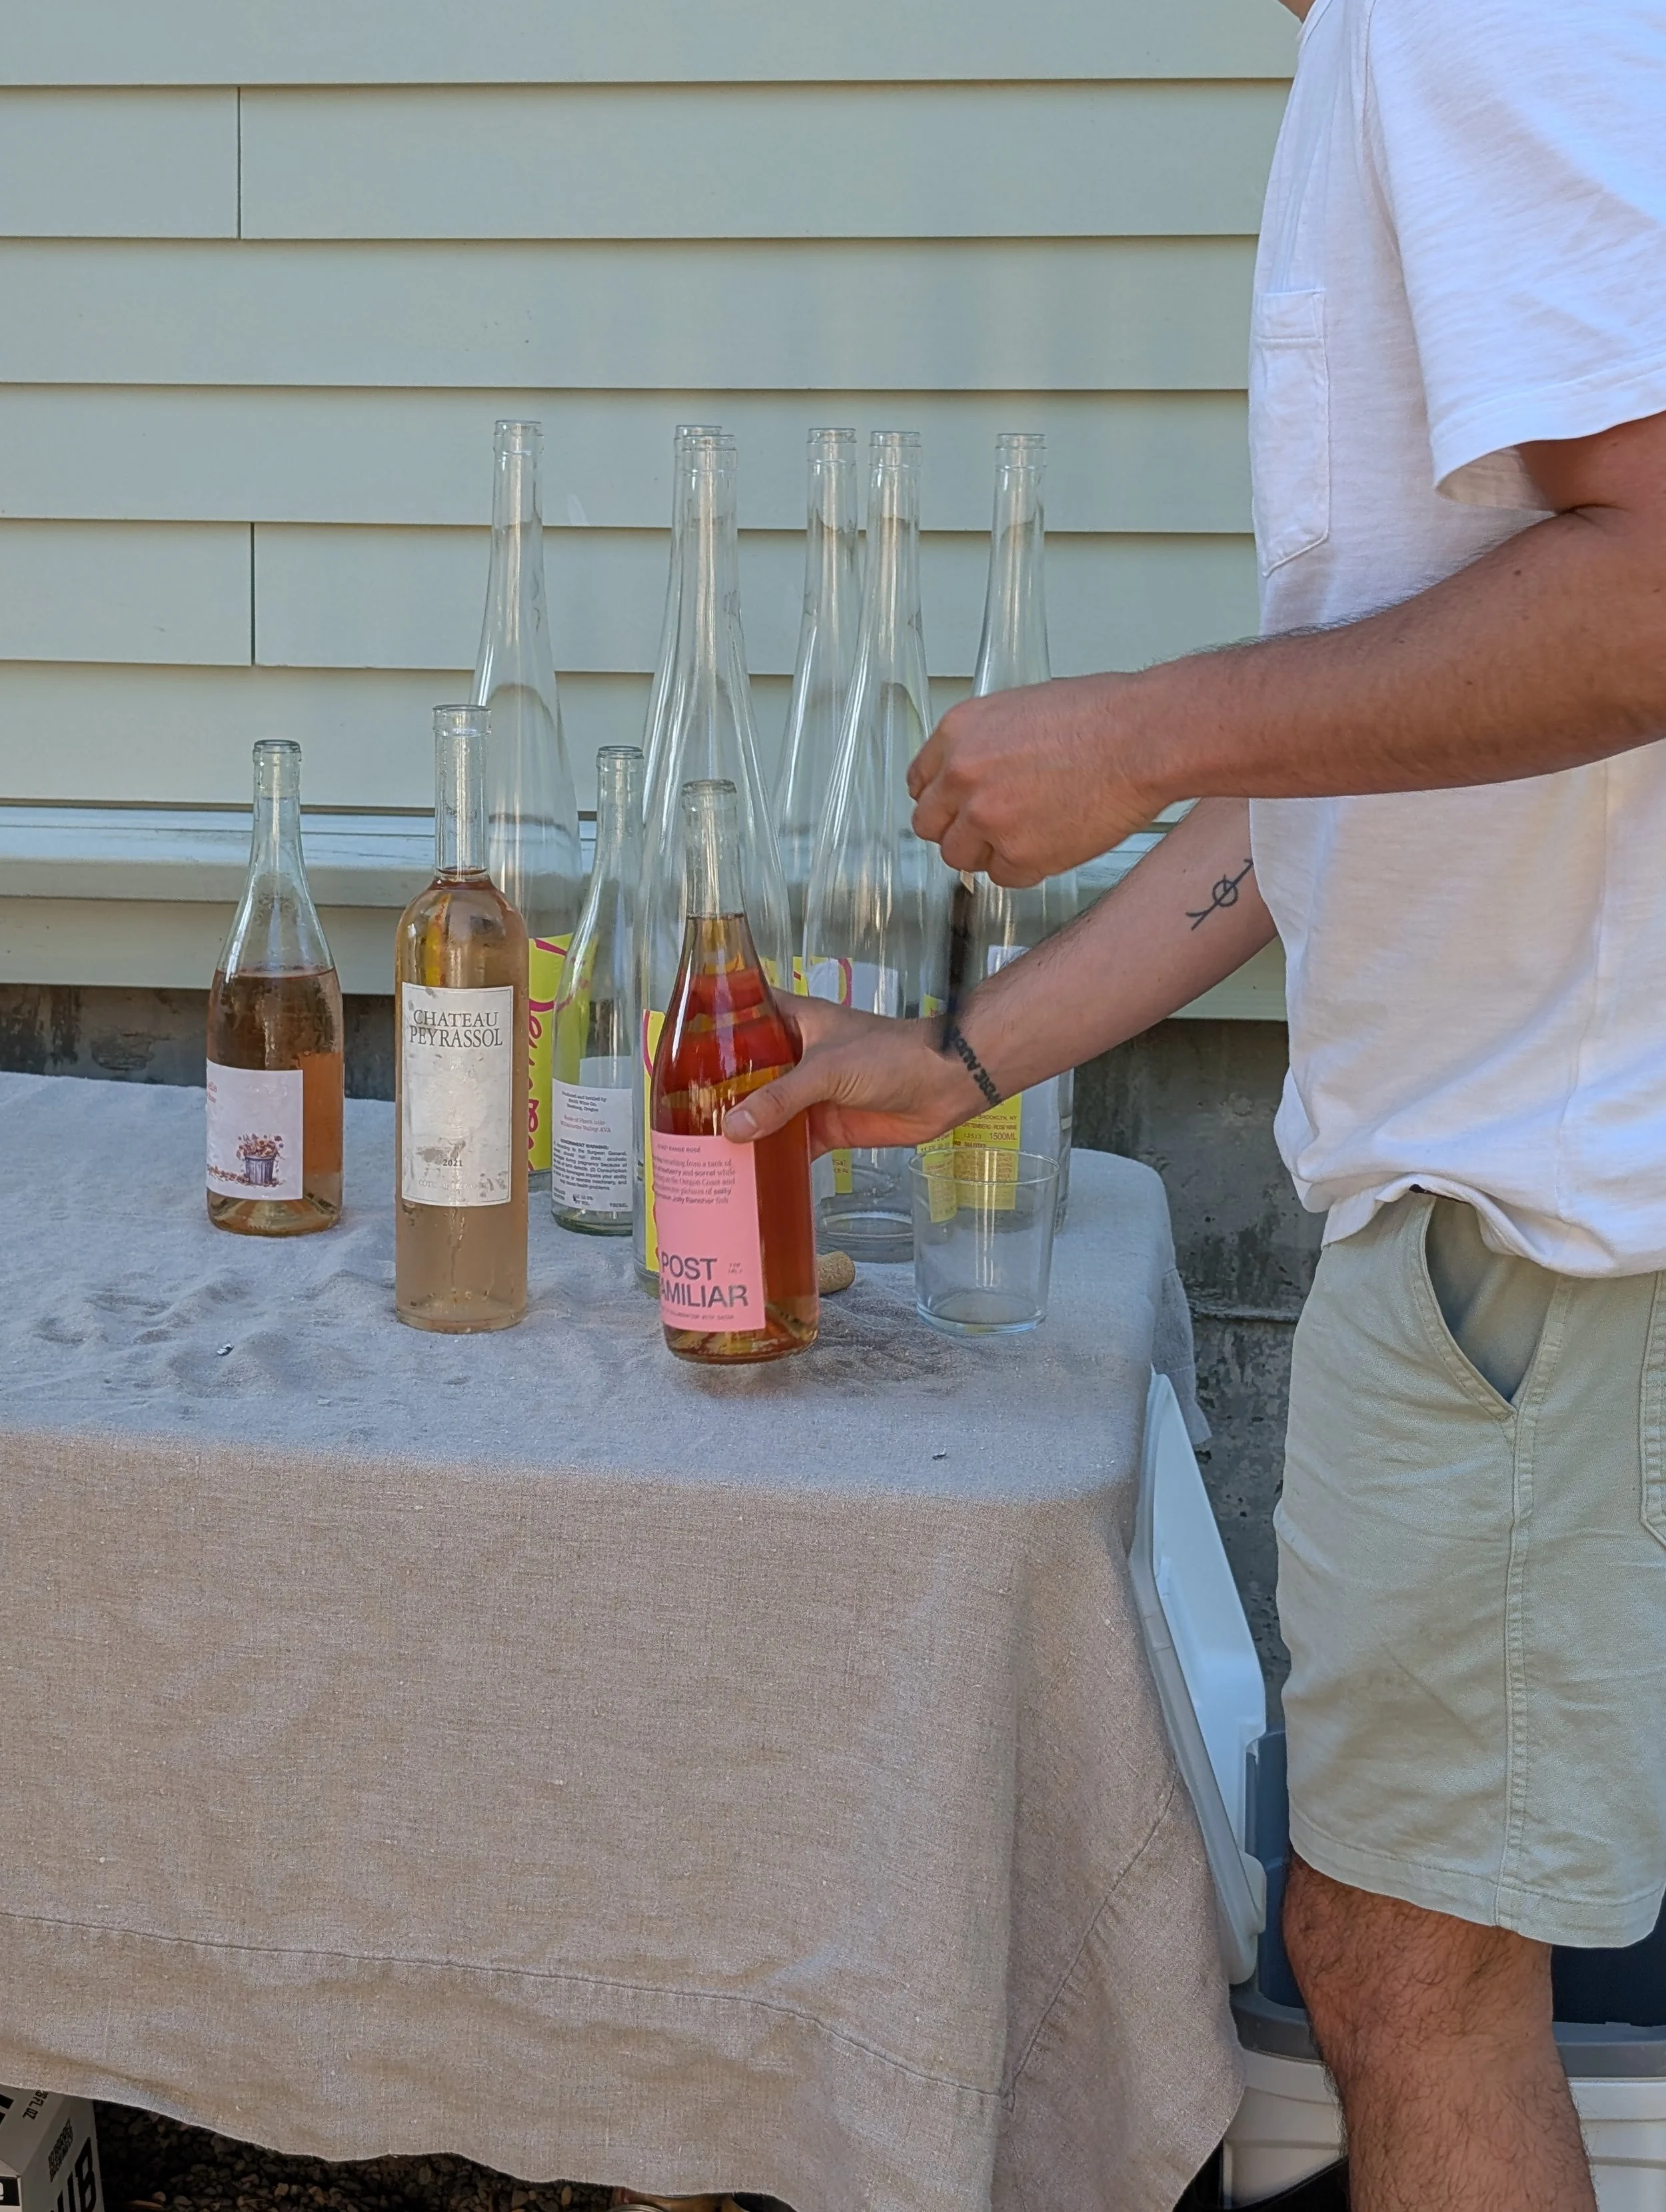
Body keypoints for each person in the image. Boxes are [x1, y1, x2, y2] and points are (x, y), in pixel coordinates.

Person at [724, 2, 1666, 2205]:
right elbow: (1350, 770)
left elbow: (1645, 585)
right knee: (1388, 1945)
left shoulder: (1474, 21)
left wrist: (1135, 722)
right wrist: (963, 1059)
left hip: (1531, 1219)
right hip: (1506, 1206)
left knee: (1410, 1971)